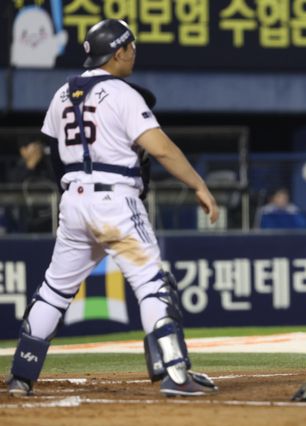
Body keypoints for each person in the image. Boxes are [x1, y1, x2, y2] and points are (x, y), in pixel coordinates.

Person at [5, 19, 220, 397]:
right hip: (115, 200)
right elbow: (161, 149)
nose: (134, 52)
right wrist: (198, 184)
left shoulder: (62, 94)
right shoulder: (122, 93)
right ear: (118, 52)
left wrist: (77, 191)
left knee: (54, 290)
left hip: (73, 201)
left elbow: (54, 156)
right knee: (153, 284)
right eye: (131, 47)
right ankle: (175, 373)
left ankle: (21, 376)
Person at [7, 137, 58, 233]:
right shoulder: (16, 170)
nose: (37, 151)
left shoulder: (47, 167)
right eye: (34, 148)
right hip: (28, 224)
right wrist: (31, 165)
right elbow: (14, 189)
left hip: (50, 221)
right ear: (23, 151)